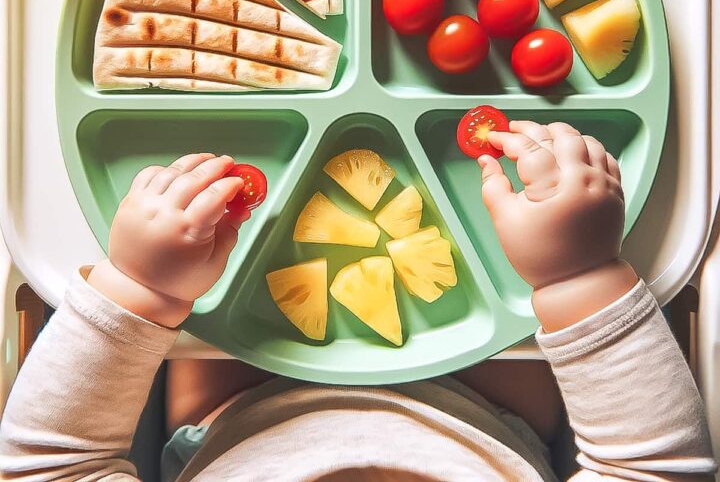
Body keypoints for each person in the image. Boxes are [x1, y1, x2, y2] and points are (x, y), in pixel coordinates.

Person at [0, 121, 714, 481]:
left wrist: (140, 287)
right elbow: (646, 467)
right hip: (493, 413)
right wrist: (581, 275)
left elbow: (50, 464)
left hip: (235, 407)